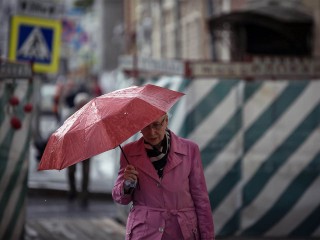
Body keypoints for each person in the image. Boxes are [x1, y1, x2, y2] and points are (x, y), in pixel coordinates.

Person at [112, 114, 215, 239]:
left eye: (156, 125)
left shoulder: (190, 149)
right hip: (144, 232)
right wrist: (127, 184)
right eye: (146, 126)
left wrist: (207, 237)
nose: (152, 132)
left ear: (166, 121)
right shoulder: (129, 152)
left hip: (181, 231)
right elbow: (120, 199)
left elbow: (201, 199)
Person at [67, 92, 91, 208]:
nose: (83, 106)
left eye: (84, 104)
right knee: (71, 171)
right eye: (81, 104)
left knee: (85, 173)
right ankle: (72, 191)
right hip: (72, 148)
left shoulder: (91, 116)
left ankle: (84, 195)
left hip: (86, 148)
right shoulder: (71, 114)